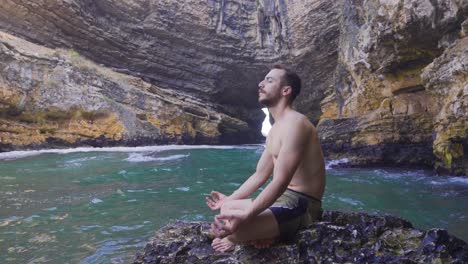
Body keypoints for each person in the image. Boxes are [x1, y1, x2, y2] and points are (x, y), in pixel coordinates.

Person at [206, 65, 326, 252]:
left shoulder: (296, 124)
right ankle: (267, 231)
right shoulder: (275, 129)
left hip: (301, 204)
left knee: (234, 232)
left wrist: (248, 214)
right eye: (263, 80)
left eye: (270, 80)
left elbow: (280, 181)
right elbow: (259, 175)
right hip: (282, 199)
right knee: (227, 210)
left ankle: (260, 233)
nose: (261, 84)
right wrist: (229, 199)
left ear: (286, 90)